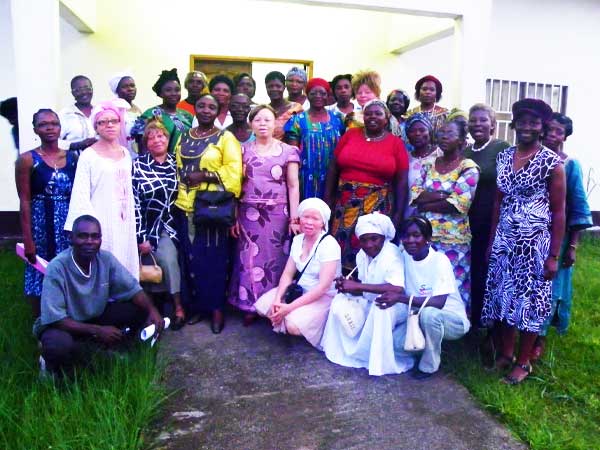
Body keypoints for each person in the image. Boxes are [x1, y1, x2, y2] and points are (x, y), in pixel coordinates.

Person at [481, 99, 566, 385]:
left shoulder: (552, 163)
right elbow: (498, 202)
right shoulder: (504, 157)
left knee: (530, 302)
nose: (527, 127)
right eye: (523, 121)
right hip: (505, 240)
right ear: (514, 124)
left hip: (535, 245)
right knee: (503, 297)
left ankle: (524, 361)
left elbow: (559, 211)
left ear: (542, 127)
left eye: (534, 122)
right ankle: (505, 353)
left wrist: (554, 255)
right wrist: (493, 240)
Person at [34, 215, 164, 377]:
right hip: (62, 325)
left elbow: (132, 289)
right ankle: (51, 367)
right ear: (71, 238)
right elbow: (56, 319)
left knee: (139, 308)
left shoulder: (105, 259)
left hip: (93, 316)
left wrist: (152, 310)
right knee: (59, 345)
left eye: (95, 236)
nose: (90, 241)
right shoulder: (57, 268)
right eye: (83, 236)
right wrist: (98, 330)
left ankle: (110, 349)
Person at [174, 94, 242, 334]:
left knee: (213, 260)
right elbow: (177, 168)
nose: (205, 110)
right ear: (194, 108)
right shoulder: (183, 137)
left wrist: (204, 176)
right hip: (185, 206)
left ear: (218, 111)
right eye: (201, 105)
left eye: (211, 107)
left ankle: (216, 310)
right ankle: (198, 308)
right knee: (190, 259)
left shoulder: (226, 138)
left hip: (212, 208)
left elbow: (235, 174)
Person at [228, 105, 301, 325]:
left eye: (267, 120)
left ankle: (274, 306)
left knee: (277, 261)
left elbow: (293, 186)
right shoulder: (242, 151)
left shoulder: (289, 151)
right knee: (249, 260)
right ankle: (250, 305)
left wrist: (295, 218)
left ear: (275, 123)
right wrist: (233, 215)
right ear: (251, 124)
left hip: (278, 215)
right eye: (258, 120)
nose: (263, 124)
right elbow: (235, 185)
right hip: (248, 214)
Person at [376, 216, 470, 380]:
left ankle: (429, 365)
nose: (410, 240)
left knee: (429, 314)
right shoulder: (403, 255)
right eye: (406, 235)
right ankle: (423, 347)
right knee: (395, 344)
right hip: (417, 317)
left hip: (451, 321)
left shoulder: (439, 260)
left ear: (427, 239)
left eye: (416, 235)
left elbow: (439, 303)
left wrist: (400, 298)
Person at [532, 113, 593, 360]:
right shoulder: (532, 159)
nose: (552, 135)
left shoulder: (570, 165)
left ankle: (539, 339)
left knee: (551, 288)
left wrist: (573, 246)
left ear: (565, 136)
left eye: (558, 131)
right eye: (549, 130)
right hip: (532, 234)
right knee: (531, 286)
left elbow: (578, 206)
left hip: (559, 237)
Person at [321, 213, 413, 376]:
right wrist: (348, 287)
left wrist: (358, 285)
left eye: (374, 239)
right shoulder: (361, 256)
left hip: (396, 305)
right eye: (364, 240)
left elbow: (396, 289)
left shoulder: (392, 254)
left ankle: (379, 362)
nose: (369, 245)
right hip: (370, 300)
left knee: (380, 307)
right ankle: (348, 350)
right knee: (340, 299)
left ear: (383, 238)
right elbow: (364, 287)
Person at [325, 99, 408, 272]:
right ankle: (339, 287)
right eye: (368, 113)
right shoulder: (350, 135)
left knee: (369, 247)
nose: (372, 117)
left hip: (377, 206)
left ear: (386, 118)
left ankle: (364, 288)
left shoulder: (396, 144)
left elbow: (401, 182)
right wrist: (328, 200)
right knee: (339, 246)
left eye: (378, 113)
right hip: (345, 205)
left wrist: (398, 216)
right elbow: (333, 168)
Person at [64, 100, 139, 279]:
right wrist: (87, 227)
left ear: (120, 123)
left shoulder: (126, 154)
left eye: (114, 121)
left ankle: (127, 299)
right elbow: (80, 193)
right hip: (101, 219)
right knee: (104, 261)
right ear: (96, 127)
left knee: (125, 257)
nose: (109, 125)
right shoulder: (89, 156)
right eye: (102, 122)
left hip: (124, 219)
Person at [410, 118, 479, 308]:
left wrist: (426, 202)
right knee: (425, 283)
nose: (443, 137)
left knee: (451, 287)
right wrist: (442, 196)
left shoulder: (468, 168)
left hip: (453, 241)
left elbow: (458, 204)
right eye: (441, 133)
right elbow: (415, 195)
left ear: (462, 141)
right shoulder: (429, 164)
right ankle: (420, 327)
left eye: (449, 133)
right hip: (424, 237)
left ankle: (453, 330)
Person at [255, 198, 341, 347]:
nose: (308, 222)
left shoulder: (329, 245)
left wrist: (289, 307)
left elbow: (323, 287)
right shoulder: (298, 239)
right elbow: (288, 274)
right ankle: (293, 313)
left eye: (315, 218)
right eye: (305, 217)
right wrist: (277, 299)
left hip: (322, 296)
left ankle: (320, 323)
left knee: (292, 326)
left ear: (323, 223)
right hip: (301, 289)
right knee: (263, 306)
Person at [15, 109, 77, 317]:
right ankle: (41, 325)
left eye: (54, 123)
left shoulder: (72, 158)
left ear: (60, 128)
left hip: (67, 223)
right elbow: (24, 200)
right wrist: (28, 239)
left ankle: (68, 319)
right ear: (35, 129)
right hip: (41, 223)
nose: (49, 127)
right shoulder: (27, 160)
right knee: (40, 270)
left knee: (68, 269)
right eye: (43, 124)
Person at [132, 119, 184, 330]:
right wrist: (140, 236)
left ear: (168, 138)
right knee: (145, 264)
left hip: (172, 224)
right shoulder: (138, 165)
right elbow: (134, 202)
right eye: (151, 137)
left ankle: (178, 306)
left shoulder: (176, 162)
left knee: (168, 259)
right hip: (146, 224)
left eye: (160, 136)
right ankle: (151, 311)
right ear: (146, 142)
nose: (156, 140)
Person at [464, 104, 510, 327]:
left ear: (493, 124)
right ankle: (471, 319)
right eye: (473, 120)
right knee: (471, 270)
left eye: (483, 120)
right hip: (466, 222)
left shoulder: (502, 148)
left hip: (492, 221)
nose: (477, 124)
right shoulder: (466, 152)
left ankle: (489, 325)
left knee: (487, 269)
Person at [284, 77, 345, 199]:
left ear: (328, 95)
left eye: (322, 93)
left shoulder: (338, 119)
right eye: (313, 93)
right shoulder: (297, 120)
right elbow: (292, 154)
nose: (318, 96)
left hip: (333, 177)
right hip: (305, 178)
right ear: (307, 95)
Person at [132, 69, 193, 154]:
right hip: (158, 165)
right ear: (160, 93)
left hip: (183, 164)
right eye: (168, 90)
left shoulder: (187, 116)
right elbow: (141, 145)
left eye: (177, 90)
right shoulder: (150, 114)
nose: (174, 93)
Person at [404, 113, 442, 218]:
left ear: (430, 132)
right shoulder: (405, 158)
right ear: (407, 135)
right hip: (409, 216)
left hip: (437, 217)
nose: (417, 134)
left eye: (422, 130)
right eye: (412, 131)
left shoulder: (441, 155)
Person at [59, 75, 98, 152]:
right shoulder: (65, 114)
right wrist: (77, 145)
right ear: (72, 93)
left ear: (92, 90)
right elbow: (53, 142)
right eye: (78, 90)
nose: (83, 92)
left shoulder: (100, 112)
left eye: (87, 88)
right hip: (74, 162)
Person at [109, 71, 143, 158]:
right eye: (125, 87)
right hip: (120, 155)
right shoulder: (114, 108)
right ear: (117, 90)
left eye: (132, 86)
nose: (130, 89)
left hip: (137, 154)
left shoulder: (137, 109)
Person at [406, 75, 448, 143]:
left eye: (432, 90)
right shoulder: (410, 114)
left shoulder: (445, 114)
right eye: (424, 89)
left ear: (437, 94)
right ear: (418, 92)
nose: (428, 92)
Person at [265, 71, 303, 140]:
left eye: (278, 86)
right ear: (266, 88)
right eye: (270, 86)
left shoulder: (296, 108)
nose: (274, 89)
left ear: (284, 87)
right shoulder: (264, 111)